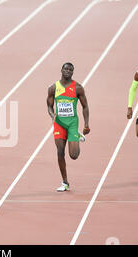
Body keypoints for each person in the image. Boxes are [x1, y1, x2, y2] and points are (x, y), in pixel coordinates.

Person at [46, 62, 90, 192]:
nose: (68, 71)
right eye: (66, 69)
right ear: (61, 70)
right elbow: (49, 106)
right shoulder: (53, 88)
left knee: (74, 155)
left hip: (72, 123)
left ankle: (76, 136)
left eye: (71, 70)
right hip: (59, 123)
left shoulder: (78, 88)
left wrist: (86, 124)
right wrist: (52, 115)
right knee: (60, 152)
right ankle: (65, 182)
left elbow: (85, 106)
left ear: (73, 72)